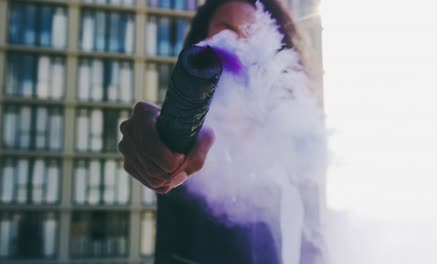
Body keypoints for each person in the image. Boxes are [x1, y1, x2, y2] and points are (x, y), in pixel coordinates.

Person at [118, 0, 322, 263]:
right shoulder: (194, 133)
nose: (237, 43)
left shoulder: (292, 140)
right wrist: (162, 137)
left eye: (251, 33)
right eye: (225, 30)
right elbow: (162, 134)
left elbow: (314, 244)